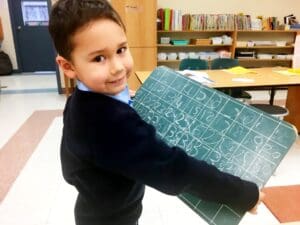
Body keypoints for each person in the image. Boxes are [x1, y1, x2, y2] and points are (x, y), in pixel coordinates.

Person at [48, 0, 264, 225]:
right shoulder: (109, 124)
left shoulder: (79, 100)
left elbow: (72, 162)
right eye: (99, 58)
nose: (118, 67)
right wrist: (244, 194)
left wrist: (121, 100)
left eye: (121, 50)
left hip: (93, 208)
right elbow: (173, 170)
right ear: (68, 66)